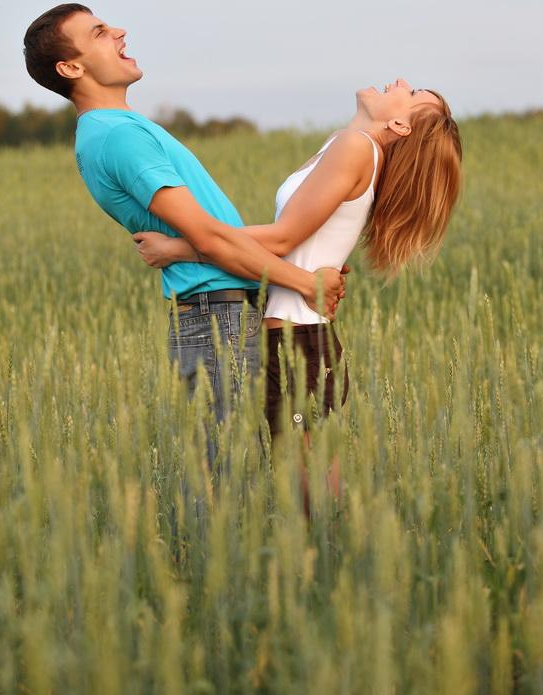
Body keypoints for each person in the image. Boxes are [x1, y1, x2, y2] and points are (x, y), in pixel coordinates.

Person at [22, 4, 344, 439]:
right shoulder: (117, 136)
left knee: (252, 463)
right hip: (218, 318)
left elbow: (210, 236)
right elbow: (209, 237)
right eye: (98, 32)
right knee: (232, 470)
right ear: (71, 67)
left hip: (225, 312)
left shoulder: (118, 129)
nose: (119, 31)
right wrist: (306, 284)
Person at [134, 79, 462, 446]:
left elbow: (282, 238)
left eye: (413, 93)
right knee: (300, 476)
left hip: (298, 340)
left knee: (307, 477)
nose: (400, 83)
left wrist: (180, 248)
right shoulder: (348, 144)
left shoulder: (356, 147)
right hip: (293, 336)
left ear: (400, 125)